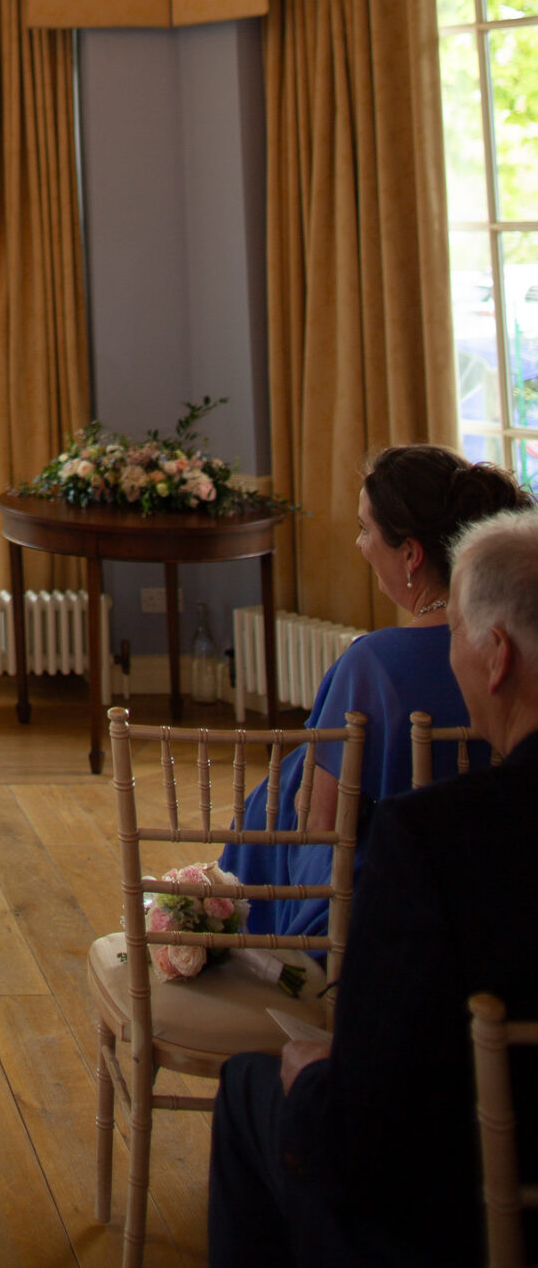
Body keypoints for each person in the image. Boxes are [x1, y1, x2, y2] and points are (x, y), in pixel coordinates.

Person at [208, 505, 538, 1267]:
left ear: (495, 659)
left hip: (454, 1218)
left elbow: (366, 1135)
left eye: (452, 631)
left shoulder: (432, 841)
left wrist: (315, 1076)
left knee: (255, 1092)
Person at [217, 443, 529, 931]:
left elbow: (318, 827)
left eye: (365, 529)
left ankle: (244, 934)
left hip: (375, 915)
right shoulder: (521, 654)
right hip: (506, 895)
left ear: (411, 554)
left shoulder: (374, 663)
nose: (359, 545)